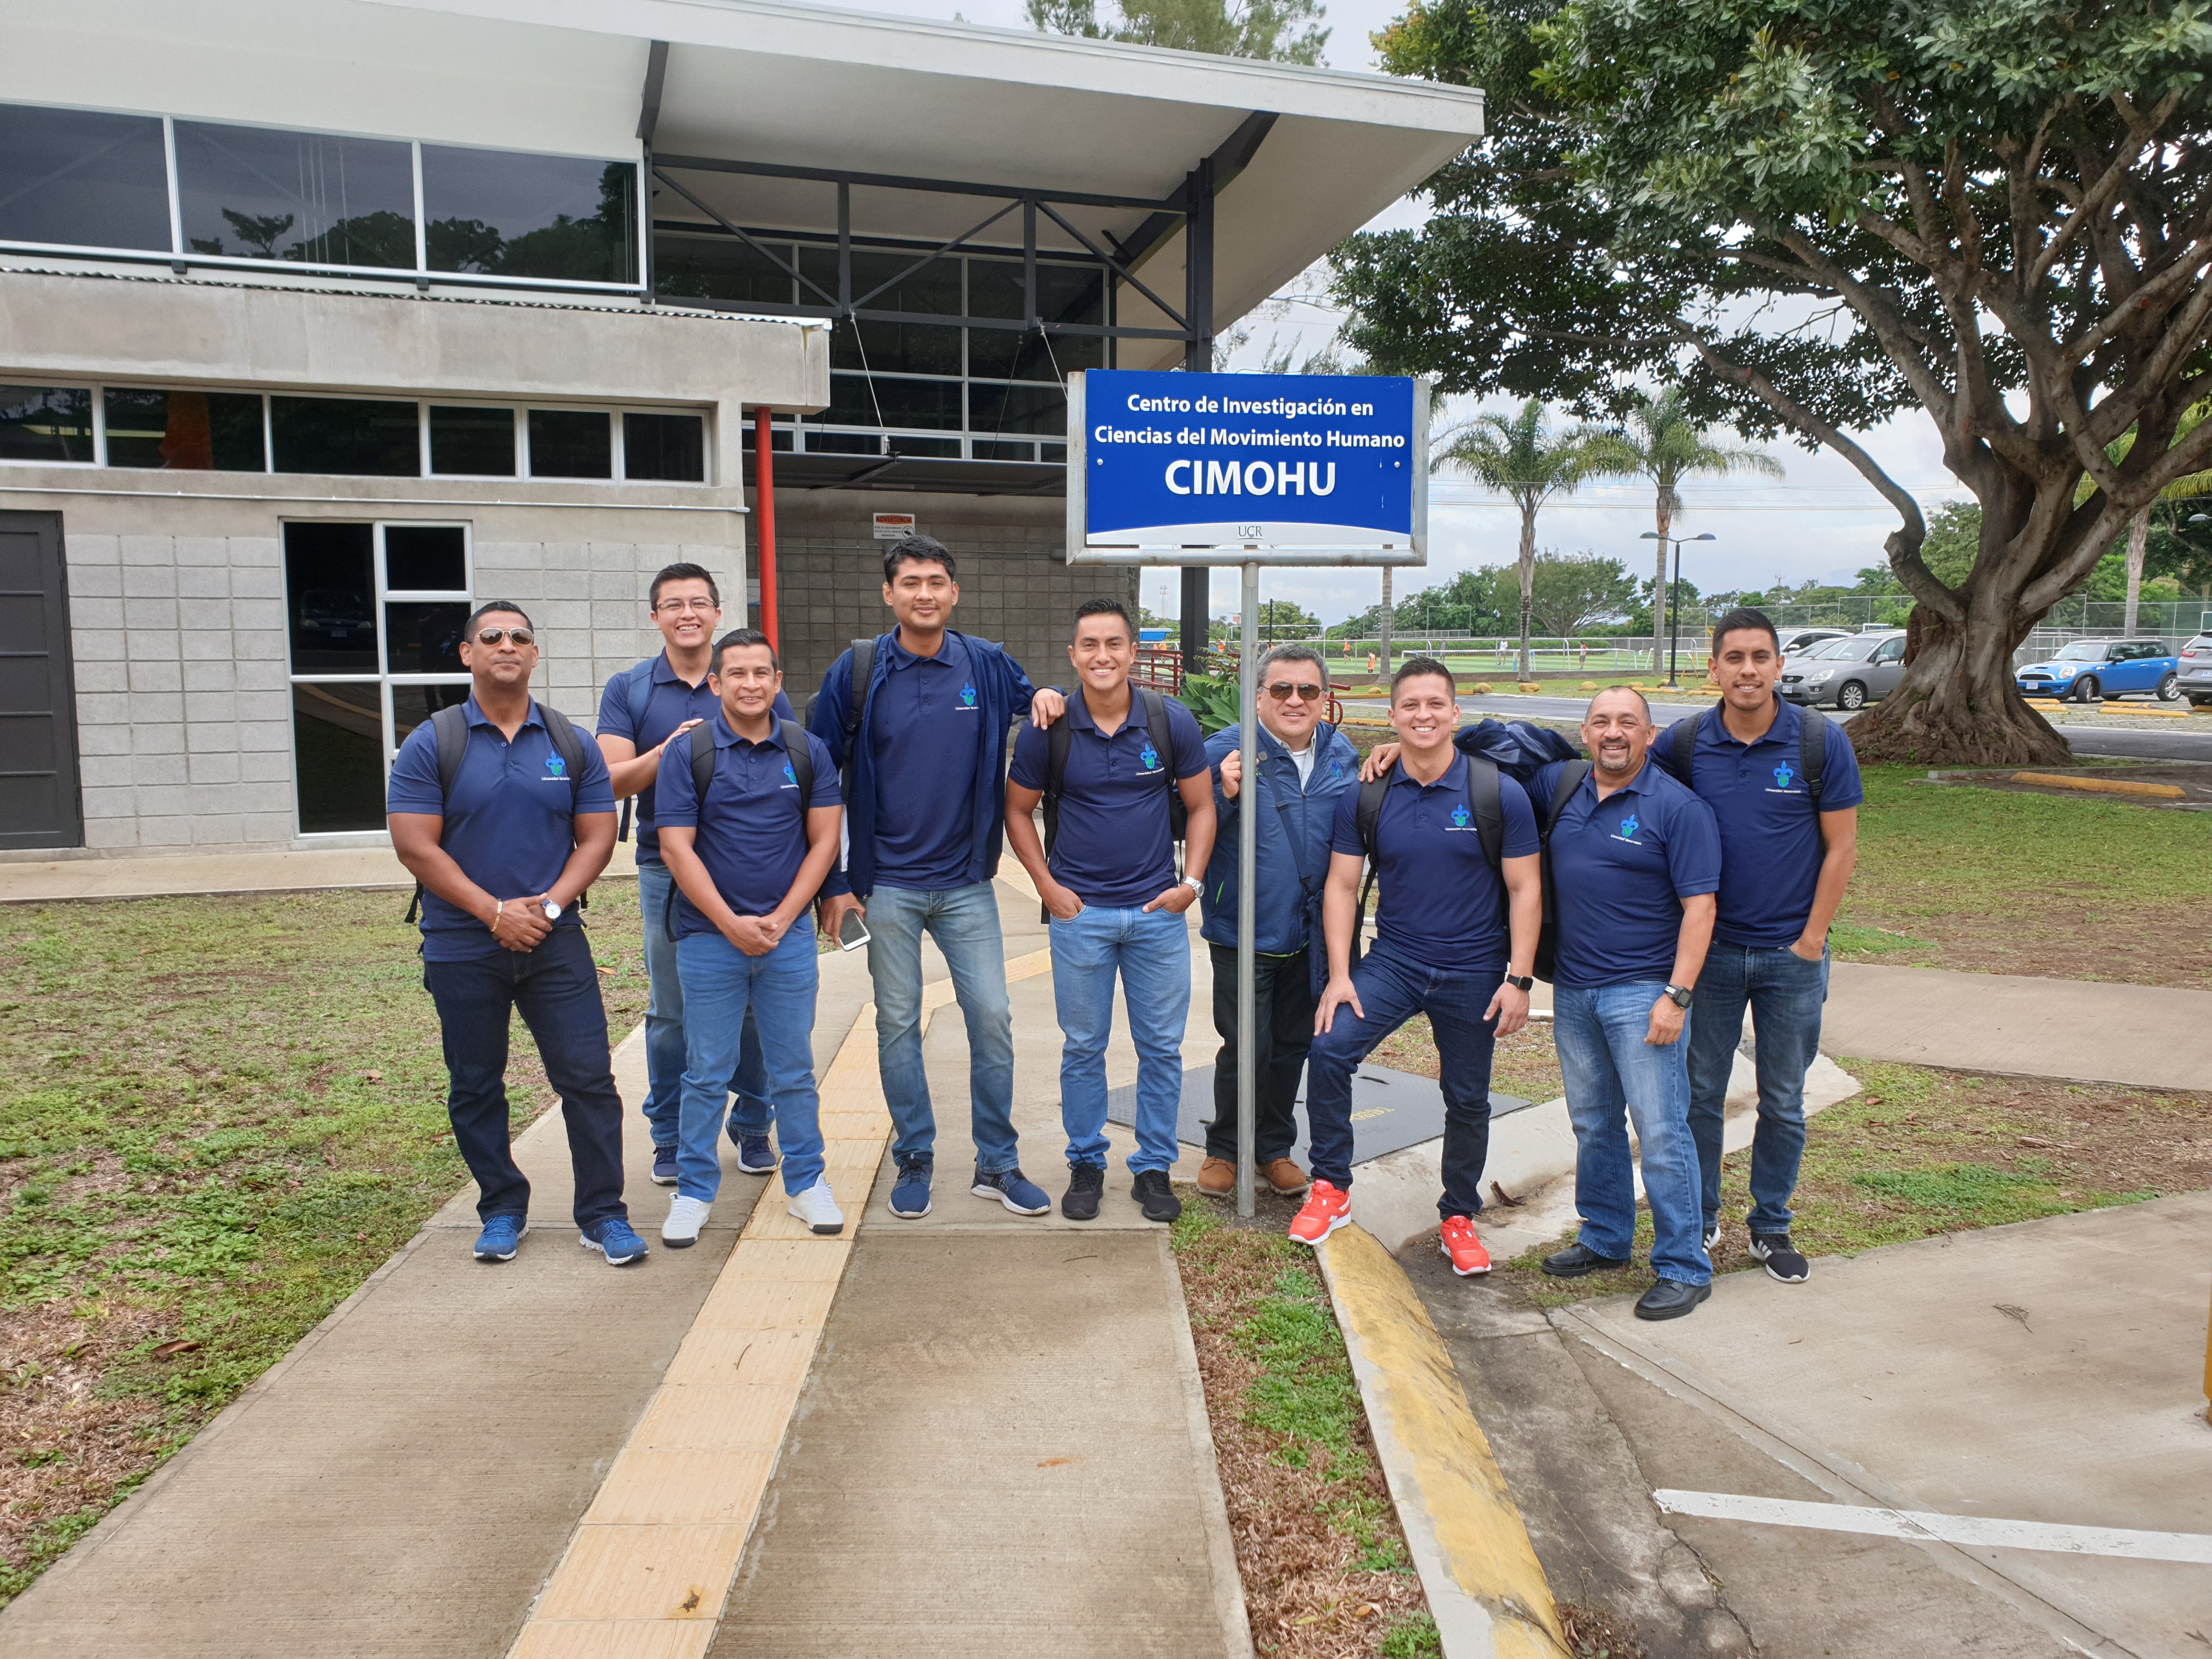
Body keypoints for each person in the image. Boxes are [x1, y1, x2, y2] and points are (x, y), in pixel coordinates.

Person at [811, 536, 1066, 1221]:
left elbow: (1035, 697)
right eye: (910, 582)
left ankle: (998, 1162)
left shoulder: (983, 663)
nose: (924, 593)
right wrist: (834, 881)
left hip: (966, 885)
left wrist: (1045, 691)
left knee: (992, 1016)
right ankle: (915, 1156)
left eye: (936, 582)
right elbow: (816, 773)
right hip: (884, 884)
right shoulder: (859, 669)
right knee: (897, 1024)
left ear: (954, 594)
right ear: (888, 594)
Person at [388, 601, 648, 1268]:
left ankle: (604, 1214)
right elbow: (415, 846)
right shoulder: (433, 741)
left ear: (536, 656)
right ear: (468, 654)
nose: (508, 645)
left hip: (556, 944)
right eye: (492, 636)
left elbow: (597, 838)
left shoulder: (569, 742)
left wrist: (550, 909)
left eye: (521, 637)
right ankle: (501, 1205)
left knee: (589, 1078)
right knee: (476, 1082)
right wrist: (492, 912)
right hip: (461, 944)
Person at [1295, 657, 1541, 1275]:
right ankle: (1332, 1187)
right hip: (1396, 961)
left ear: (1455, 714)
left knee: (1467, 1099)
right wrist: (1341, 976)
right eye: (1411, 705)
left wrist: (1518, 979)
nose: (1424, 715)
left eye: (1436, 704)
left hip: (1474, 970)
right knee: (1329, 1050)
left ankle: (1459, 1216)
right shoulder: (1370, 793)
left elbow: (1526, 890)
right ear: (1394, 716)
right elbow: (1341, 887)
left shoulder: (1495, 793)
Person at [1656, 607, 1861, 1284]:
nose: (1748, 670)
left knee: (1783, 1096)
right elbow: (1611, 773)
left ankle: (1770, 1226)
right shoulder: (1684, 747)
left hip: (1790, 958)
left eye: (1760, 657)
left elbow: (1841, 848)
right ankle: (1705, 1214)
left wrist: (1811, 939)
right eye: (1734, 658)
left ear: (1779, 665)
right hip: (1710, 957)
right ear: (1712, 668)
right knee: (1701, 1094)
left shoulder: (1818, 743)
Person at [596, 563, 807, 1190]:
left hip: (753, 867)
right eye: (673, 604)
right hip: (668, 865)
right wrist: (670, 754)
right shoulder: (630, 689)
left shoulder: (750, 677)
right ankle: (668, 1134)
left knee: (753, 1007)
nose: (687, 613)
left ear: (717, 612)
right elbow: (607, 781)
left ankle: (752, 1124)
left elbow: (794, 765)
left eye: (699, 603)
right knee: (671, 1011)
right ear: (654, 615)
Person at [1005, 599, 1217, 1224]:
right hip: (1082, 919)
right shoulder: (1050, 729)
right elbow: (1018, 810)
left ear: (1132, 653)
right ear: (1073, 655)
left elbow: (1202, 806)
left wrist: (1192, 884)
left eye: (1114, 644)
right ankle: (1086, 1162)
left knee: (1160, 1048)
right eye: (1089, 645)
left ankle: (1153, 1167)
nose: (1102, 656)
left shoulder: (1167, 721)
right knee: (1083, 1047)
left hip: (1157, 914)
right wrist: (1045, 885)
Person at [1532, 689, 1720, 1319]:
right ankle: (1606, 1238)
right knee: (1593, 1123)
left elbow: (1701, 909)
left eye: (1628, 723)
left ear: (1650, 734)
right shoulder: (1564, 793)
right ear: (1585, 733)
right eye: (1603, 722)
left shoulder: (1678, 808)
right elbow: (1485, 750)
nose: (1615, 733)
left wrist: (1677, 997)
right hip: (1576, 990)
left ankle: (1684, 1265)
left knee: (1662, 1131)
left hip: (1645, 994)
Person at [653, 629, 845, 1244]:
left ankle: (808, 1185)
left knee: (792, 1069)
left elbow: (823, 843)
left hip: (785, 941)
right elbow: (675, 847)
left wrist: (785, 918)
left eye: (762, 673)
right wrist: (731, 923)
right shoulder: (690, 753)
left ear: (777, 681)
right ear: (716, 684)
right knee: (707, 1070)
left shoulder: (807, 750)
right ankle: (693, 1191)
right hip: (709, 940)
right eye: (736, 673)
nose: (750, 684)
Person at [1195, 644, 1359, 1199]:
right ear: (1259, 696)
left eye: (1307, 691)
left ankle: (1273, 1148)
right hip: (1244, 928)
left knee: (1292, 1044)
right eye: (1282, 690)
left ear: (1323, 698)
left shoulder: (1343, 754)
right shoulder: (1223, 750)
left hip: (1310, 934)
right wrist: (1223, 792)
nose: (1295, 700)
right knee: (1246, 1045)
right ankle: (1224, 1148)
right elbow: (1187, 826)